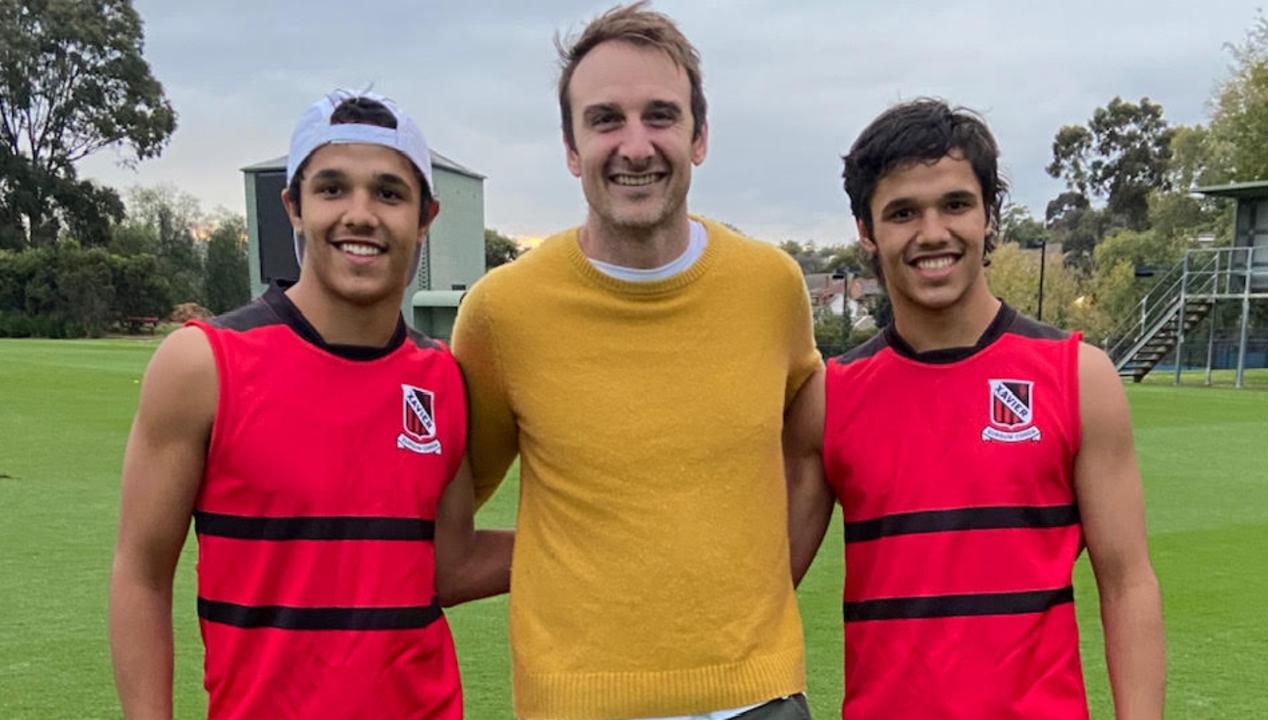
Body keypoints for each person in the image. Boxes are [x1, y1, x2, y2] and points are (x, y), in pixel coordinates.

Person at [450, 3, 822, 719]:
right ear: (569, 147)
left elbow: (809, 454)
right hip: (578, 707)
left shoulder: (771, 287)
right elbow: (444, 521)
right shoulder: (503, 312)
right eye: (604, 120)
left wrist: (761, 602)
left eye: (660, 115)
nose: (635, 145)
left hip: (760, 701)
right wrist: (582, 556)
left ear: (700, 136)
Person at [109, 91, 512, 720]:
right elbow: (140, 573)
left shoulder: (442, 380)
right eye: (332, 189)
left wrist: (604, 537)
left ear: (424, 217)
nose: (361, 214)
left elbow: (449, 567)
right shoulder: (204, 365)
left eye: (388, 193)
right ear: (294, 207)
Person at [787, 98, 1166, 719]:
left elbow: (1128, 583)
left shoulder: (1079, 377)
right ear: (866, 230)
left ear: (991, 216)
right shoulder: (830, 397)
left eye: (956, 205)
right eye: (903, 212)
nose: (932, 233)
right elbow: (763, 588)